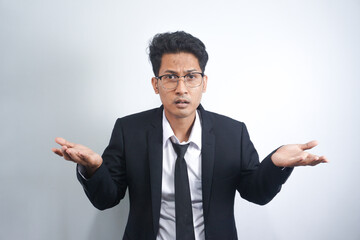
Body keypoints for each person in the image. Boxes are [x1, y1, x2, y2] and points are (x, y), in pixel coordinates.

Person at [52, 31, 328, 240]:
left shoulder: (233, 133)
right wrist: (93, 168)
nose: (181, 88)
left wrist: (276, 164)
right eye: (170, 77)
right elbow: (106, 199)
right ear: (155, 84)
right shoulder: (129, 131)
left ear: (203, 83)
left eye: (191, 76)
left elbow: (255, 192)